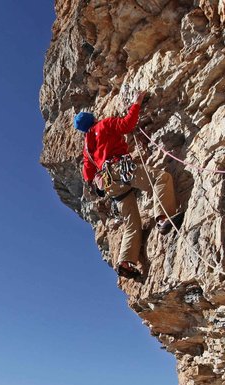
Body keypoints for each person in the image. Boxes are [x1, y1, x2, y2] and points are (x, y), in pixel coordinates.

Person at [74, 93, 184, 280]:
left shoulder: (87, 149)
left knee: (132, 223)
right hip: (120, 168)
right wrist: (137, 103)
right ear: (93, 119)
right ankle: (163, 219)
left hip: (109, 183)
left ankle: (125, 262)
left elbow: (88, 174)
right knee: (161, 178)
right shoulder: (104, 124)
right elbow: (127, 125)